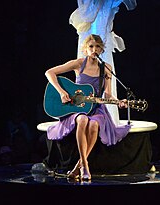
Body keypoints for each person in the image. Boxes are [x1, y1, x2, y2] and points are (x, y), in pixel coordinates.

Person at [44, 34, 131, 181]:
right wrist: (62, 92)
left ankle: (79, 165)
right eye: (91, 46)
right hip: (78, 109)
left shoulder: (106, 69)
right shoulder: (78, 64)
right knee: (83, 120)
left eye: (97, 47)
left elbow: (108, 95)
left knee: (94, 124)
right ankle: (84, 165)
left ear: (101, 50)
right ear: (85, 49)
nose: (94, 49)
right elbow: (49, 72)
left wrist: (119, 102)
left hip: (96, 109)